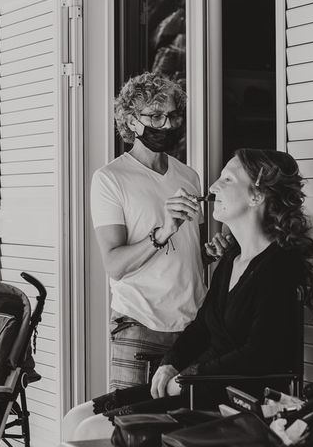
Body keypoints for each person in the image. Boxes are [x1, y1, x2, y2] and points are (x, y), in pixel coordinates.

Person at [63, 148, 313, 441]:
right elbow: (201, 326)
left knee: (90, 430)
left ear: (256, 196)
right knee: (77, 417)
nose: (212, 187)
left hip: (229, 402)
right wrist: (172, 362)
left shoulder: (280, 267)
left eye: (227, 180)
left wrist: (189, 379)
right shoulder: (232, 259)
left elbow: (258, 353)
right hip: (199, 387)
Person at [91, 71, 226, 391]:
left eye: (173, 116)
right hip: (139, 326)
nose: (166, 125)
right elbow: (115, 265)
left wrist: (210, 253)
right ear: (131, 120)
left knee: (184, 428)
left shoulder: (189, 176)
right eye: (155, 116)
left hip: (194, 327)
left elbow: (188, 256)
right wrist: (161, 233)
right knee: (131, 427)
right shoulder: (110, 179)